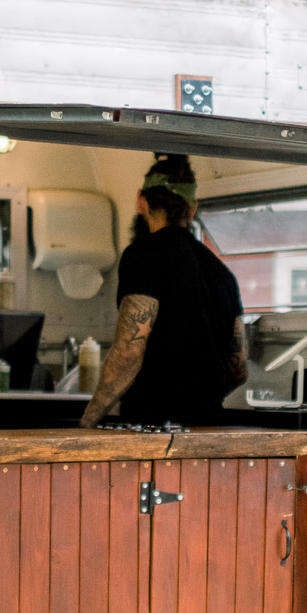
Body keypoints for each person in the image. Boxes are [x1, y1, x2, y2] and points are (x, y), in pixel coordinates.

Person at [80, 154, 247, 428]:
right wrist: (201, 399)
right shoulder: (222, 273)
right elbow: (239, 369)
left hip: (153, 427)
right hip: (211, 428)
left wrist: (89, 421)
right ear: (192, 209)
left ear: (141, 202)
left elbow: (129, 352)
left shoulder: (142, 255)